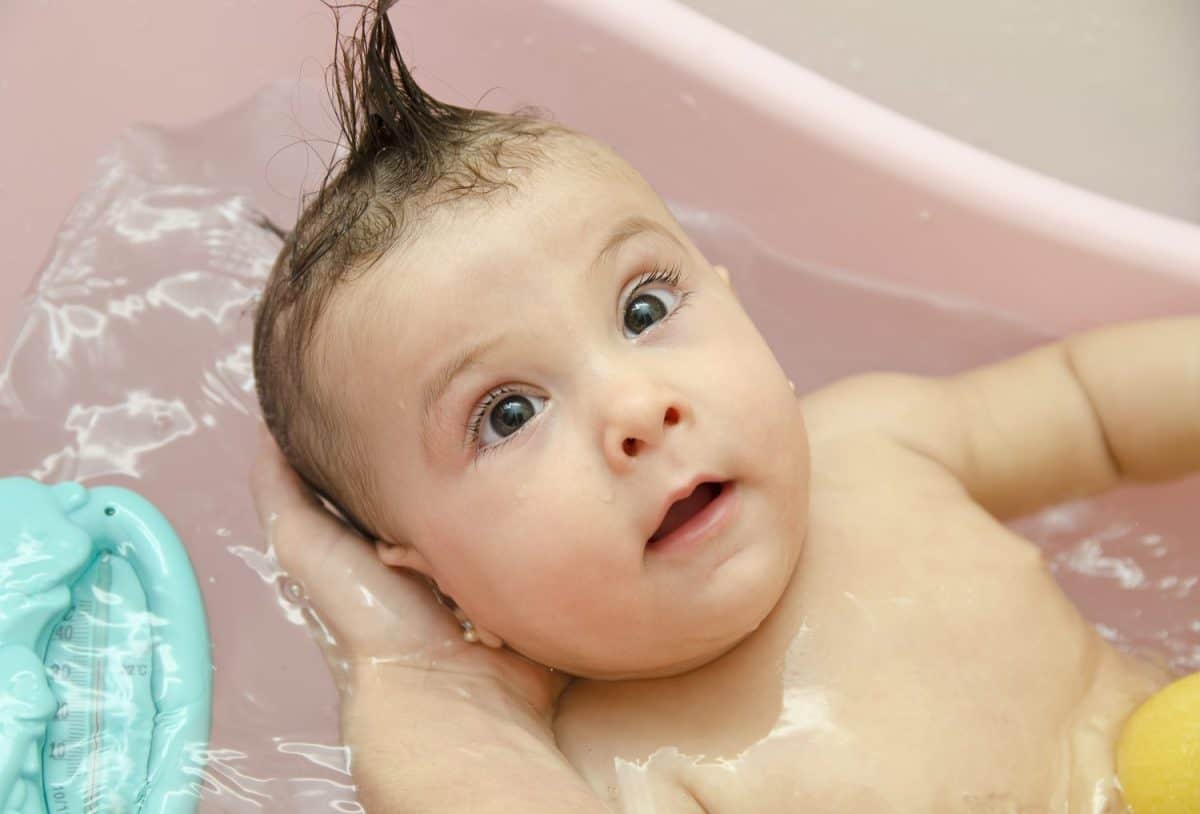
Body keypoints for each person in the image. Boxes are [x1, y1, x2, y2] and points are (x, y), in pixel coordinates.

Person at [249, 4, 1199, 811]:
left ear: (732, 295)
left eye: (643, 309)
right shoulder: (617, 769)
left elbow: (1094, 409)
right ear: (441, 581)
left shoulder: (876, 447)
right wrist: (415, 669)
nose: (636, 407)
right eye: (508, 414)